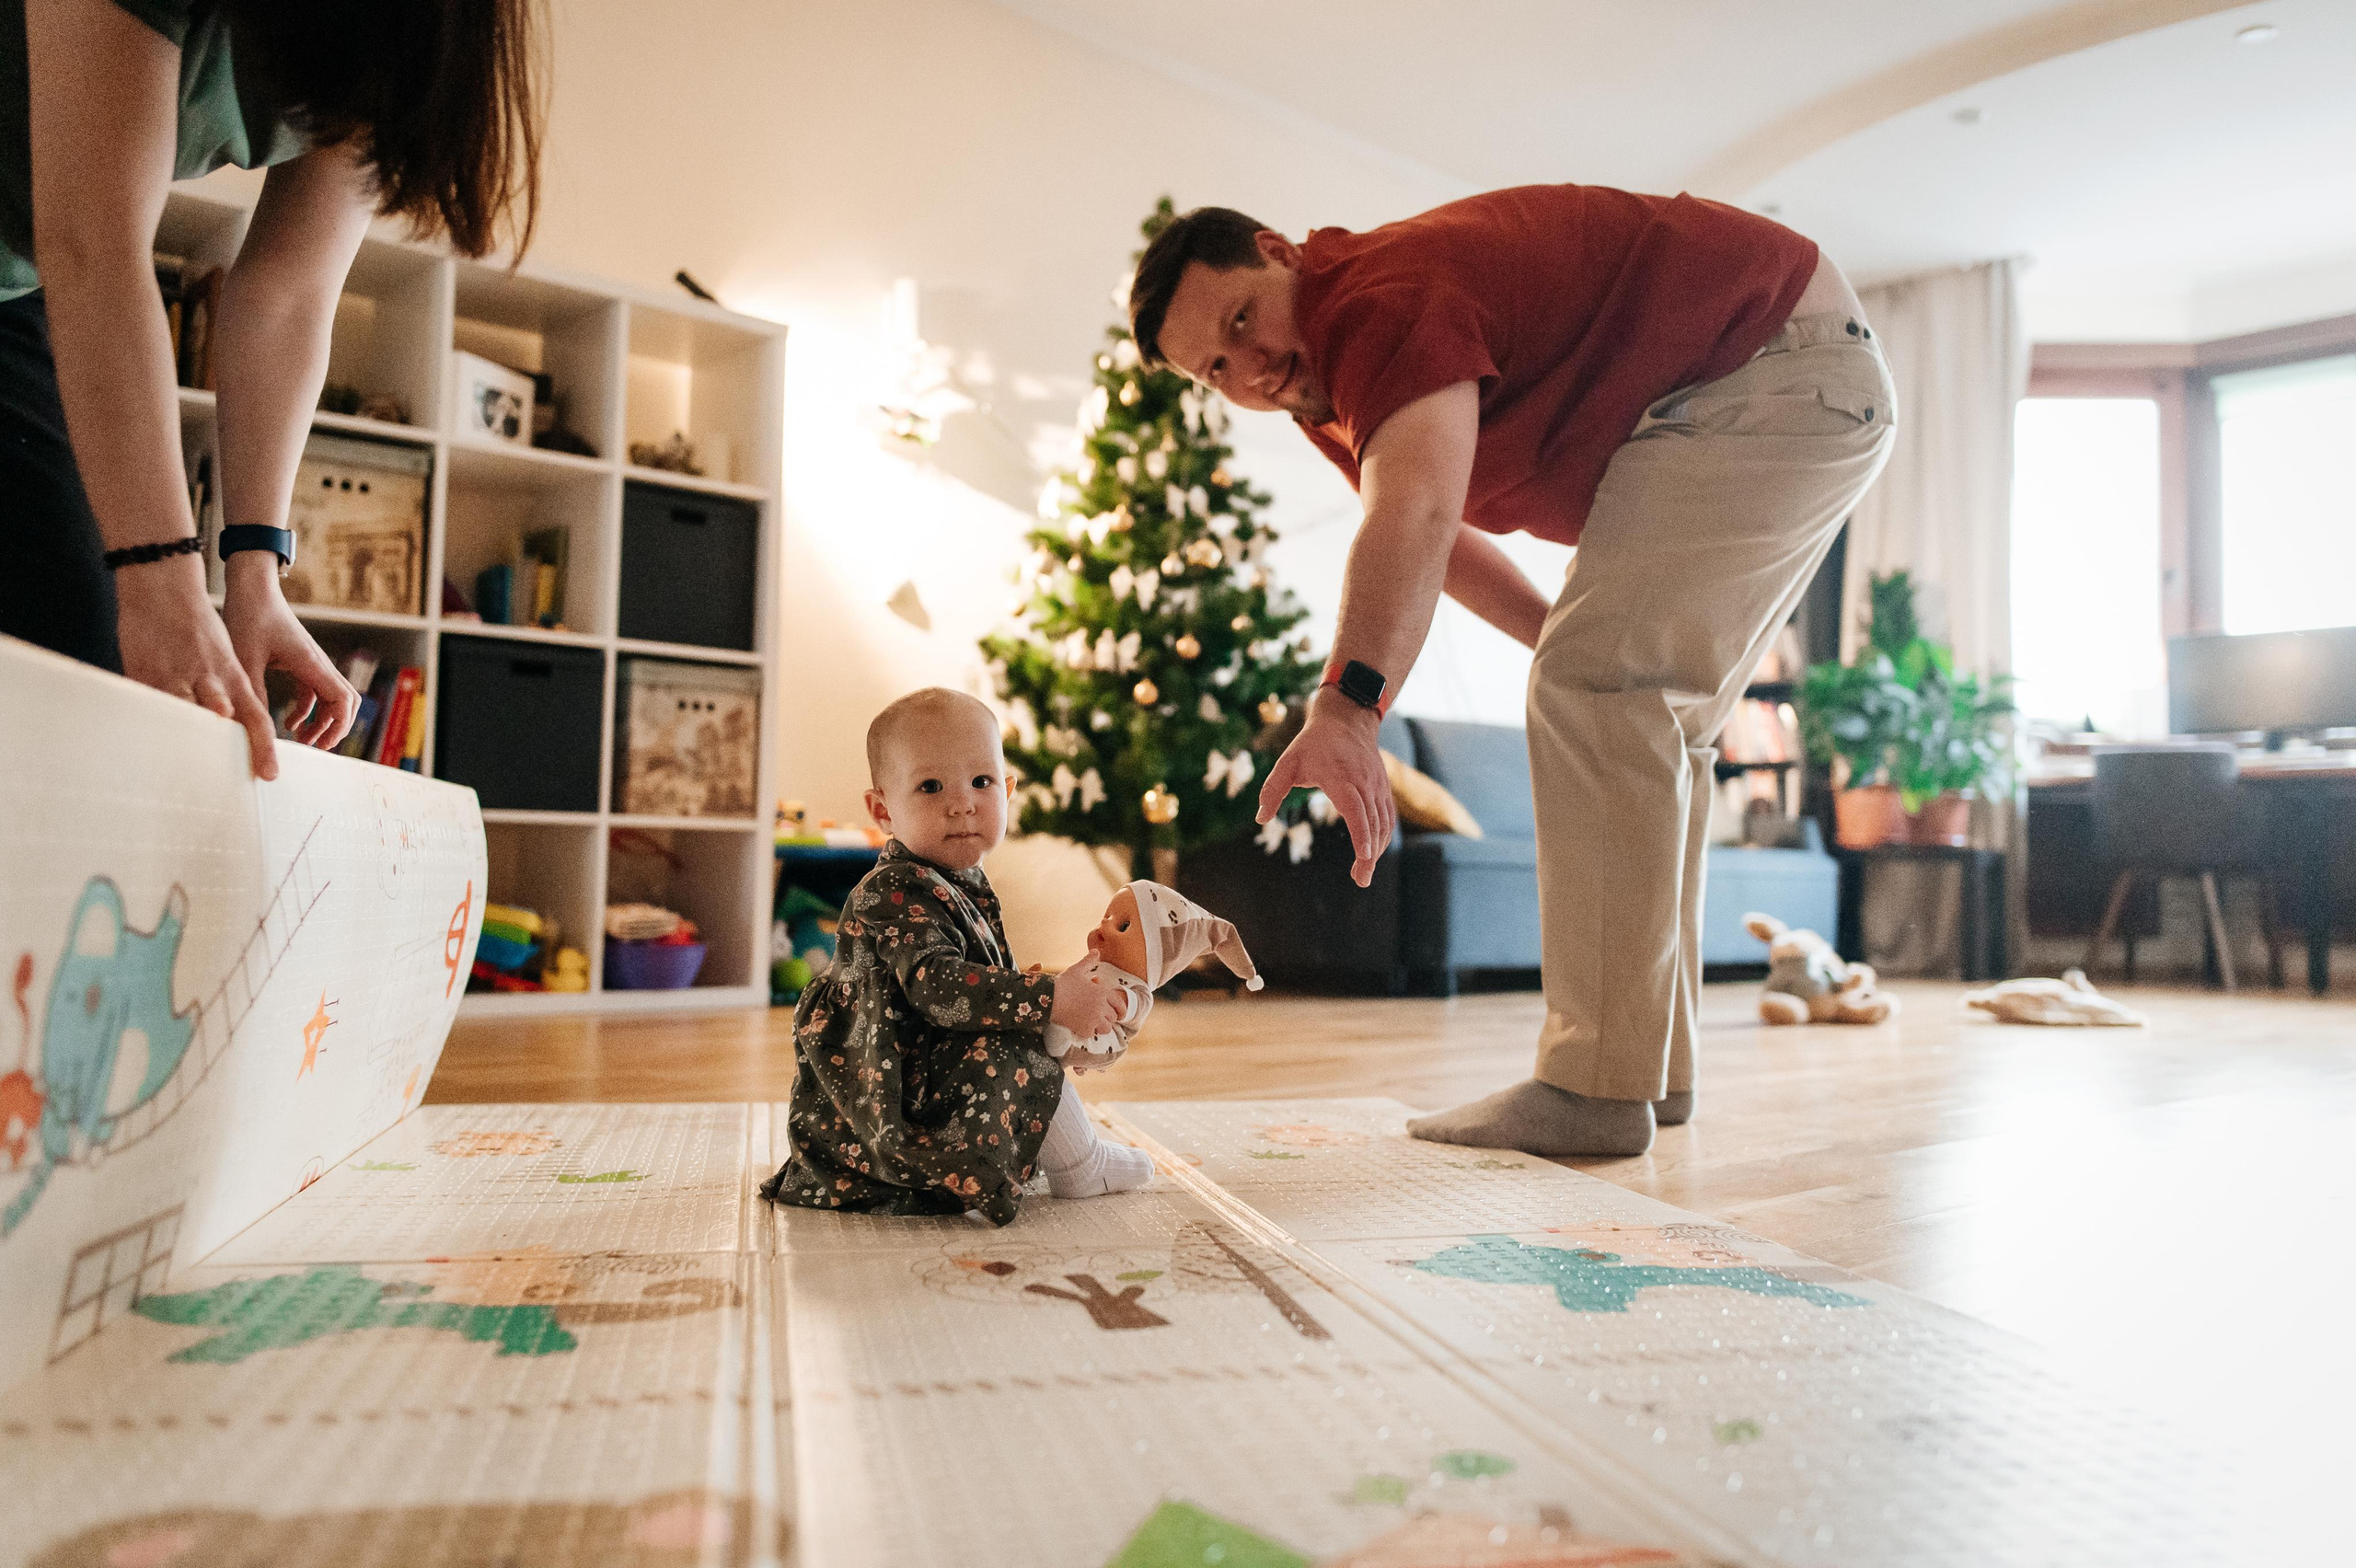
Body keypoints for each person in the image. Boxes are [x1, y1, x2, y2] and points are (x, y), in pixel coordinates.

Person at [1127, 186, 1896, 1158]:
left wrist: (1349, 707)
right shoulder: (1325, 387)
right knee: (1647, 715)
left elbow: (1409, 515)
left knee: (1606, 691)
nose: (1250, 369)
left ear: (1282, 252)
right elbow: (1443, 537)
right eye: (1215, 369)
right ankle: (1645, 1073)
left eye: (1242, 321)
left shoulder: (1369, 299)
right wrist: (1564, 643)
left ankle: (1593, 1086)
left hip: (1767, 367)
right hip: (1795, 381)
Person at [1, 0, 543, 779]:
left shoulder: (406, 37)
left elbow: (287, 297)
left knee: (79, 638)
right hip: (58, 262)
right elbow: (94, 239)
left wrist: (254, 573)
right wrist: (164, 581)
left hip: (14, 291)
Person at [757, 688, 1143, 1227]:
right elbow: (939, 988)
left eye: (982, 782)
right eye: (931, 786)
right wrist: (1050, 999)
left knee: (1027, 1022)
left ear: (1008, 790)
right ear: (883, 810)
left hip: (922, 1055)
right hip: (886, 1091)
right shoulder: (893, 890)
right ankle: (1081, 1165)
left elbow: (978, 978)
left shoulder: (955, 878)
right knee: (1020, 1033)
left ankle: (1060, 1153)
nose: (962, 803)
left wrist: (1051, 1010)